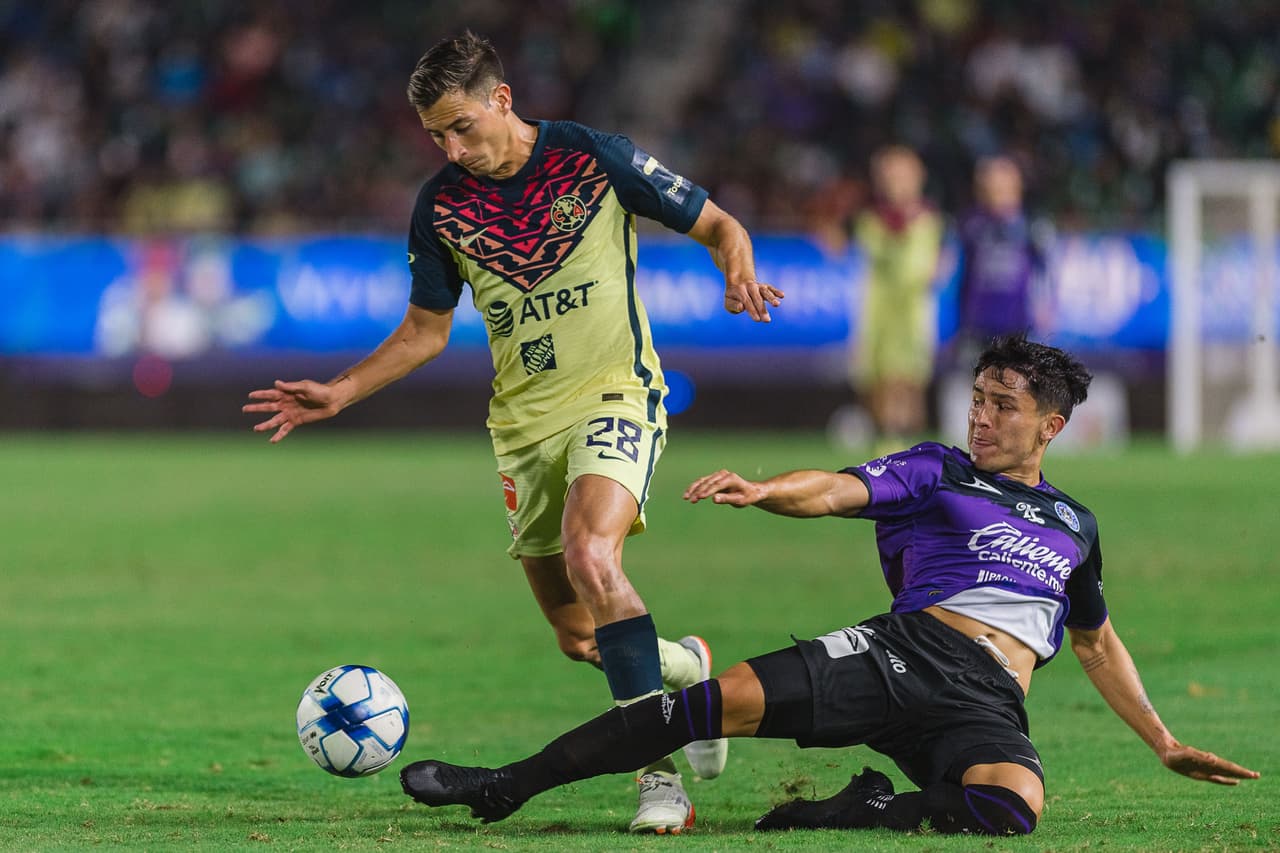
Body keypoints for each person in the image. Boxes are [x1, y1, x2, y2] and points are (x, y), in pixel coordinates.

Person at [242, 31, 783, 834]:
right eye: (436, 136)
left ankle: (658, 776)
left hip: (616, 394)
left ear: (501, 99)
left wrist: (735, 263)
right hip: (523, 428)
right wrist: (340, 392)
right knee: (576, 633)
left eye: (461, 127)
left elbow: (718, 223)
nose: (453, 150)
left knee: (591, 555)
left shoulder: (593, 158)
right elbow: (425, 331)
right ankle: (688, 669)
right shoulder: (441, 207)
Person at [398, 334, 1258, 836]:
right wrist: (767, 489)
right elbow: (839, 488)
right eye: (978, 397)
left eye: (1004, 404)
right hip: (903, 652)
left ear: (1052, 425)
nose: (981, 415)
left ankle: (862, 808)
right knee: (709, 706)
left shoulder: (1076, 524)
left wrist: (1163, 741)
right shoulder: (939, 469)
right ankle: (504, 784)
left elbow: (1095, 642)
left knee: (1012, 805)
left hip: (988, 700)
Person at [852, 145, 943, 451]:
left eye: (902, 176)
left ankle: (907, 446)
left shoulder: (928, 219)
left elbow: (929, 264)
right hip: (878, 313)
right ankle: (886, 442)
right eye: (889, 177)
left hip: (913, 312)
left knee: (909, 380)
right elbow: (870, 249)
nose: (896, 184)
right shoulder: (871, 219)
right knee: (878, 381)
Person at [953, 156, 1050, 354]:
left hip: (1017, 323)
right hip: (976, 323)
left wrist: (1044, 305)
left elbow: (1045, 269)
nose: (998, 194)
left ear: (1017, 187)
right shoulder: (970, 223)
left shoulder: (1031, 224)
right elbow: (958, 267)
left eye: (1004, 187)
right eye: (992, 187)